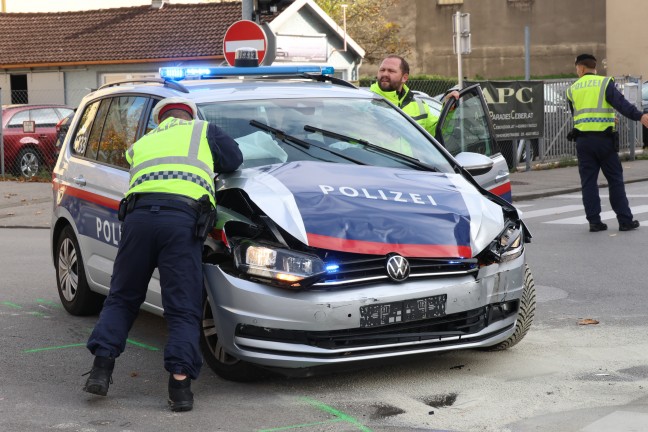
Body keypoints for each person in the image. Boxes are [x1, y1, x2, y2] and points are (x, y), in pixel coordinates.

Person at [82, 97, 243, 411]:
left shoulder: (144, 141)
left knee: (122, 297)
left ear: (160, 120)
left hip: (138, 221)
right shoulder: (202, 131)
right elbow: (234, 160)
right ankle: (180, 388)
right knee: (182, 307)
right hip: (181, 223)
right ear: (190, 115)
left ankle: (101, 370)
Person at [566, 54, 648, 232]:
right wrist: (640, 116)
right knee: (615, 180)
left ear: (580, 68)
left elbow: (578, 114)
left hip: (583, 142)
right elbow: (621, 104)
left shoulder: (572, 88)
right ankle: (625, 221)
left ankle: (594, 222)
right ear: (595, 68)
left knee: (588, 182)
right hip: (604, 141)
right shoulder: (604, 83)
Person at [370, 54, 459, 137]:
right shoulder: (366, 103)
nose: (385, 74)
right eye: (382, 70)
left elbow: (436, 134)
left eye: (391, 71)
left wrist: (448, 110)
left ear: (404, 78)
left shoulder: (420, 106)